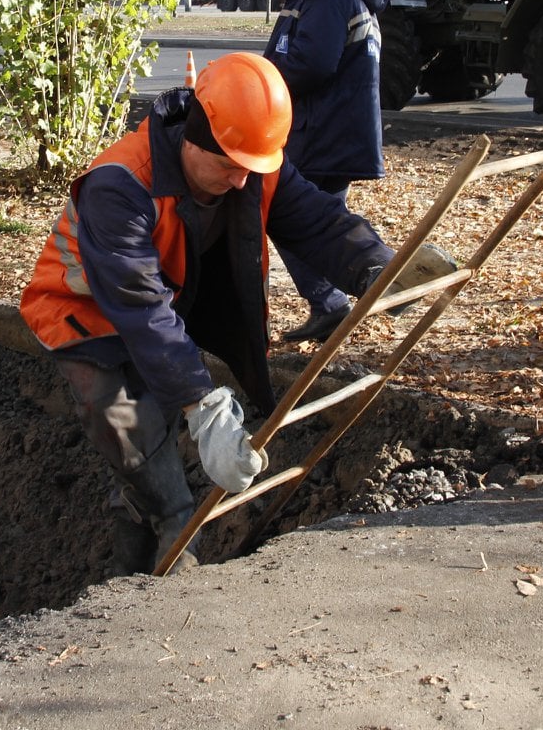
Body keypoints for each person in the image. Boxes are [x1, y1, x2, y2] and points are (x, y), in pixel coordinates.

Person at [20, 53, 405, 575]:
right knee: (159, 478)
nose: (243, 182)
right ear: (193, 139)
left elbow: (316, 219)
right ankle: (162, 612)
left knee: (147, 472)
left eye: (253, 167)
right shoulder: (120, 184)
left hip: (161, 309)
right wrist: (202, 406)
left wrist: (377, 266)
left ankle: (125, 581)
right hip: (86, 320)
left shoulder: (248, 163)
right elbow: (140, 309)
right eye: (230, 166)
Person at [262, 0, 391, 343]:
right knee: (320, 217)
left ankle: (356, 286)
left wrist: (260, 81)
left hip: (320, 132)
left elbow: (310, 66)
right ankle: (341, 294)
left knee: (291, 217)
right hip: (332, 131)